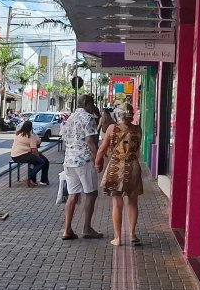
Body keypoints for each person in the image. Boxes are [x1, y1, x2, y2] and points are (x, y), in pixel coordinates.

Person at [95, 103, 143, 246]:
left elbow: (102, 149)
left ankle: (118, 237)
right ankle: (132, 234)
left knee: (117, 203)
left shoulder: (111, 128)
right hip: (134, 166)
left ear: (118, 114)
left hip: (116, 166)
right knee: (133, 202)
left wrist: (98, 162)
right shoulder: (137, 129)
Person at [60, 94, 102, 240]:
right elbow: (91, 140)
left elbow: (65, 138)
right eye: (92, 103)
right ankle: (87, 228)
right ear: (86, 103)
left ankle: (67, 230)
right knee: (91, 193)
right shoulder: (87, 118)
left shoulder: (70, 118)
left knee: (73, 195)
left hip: (69, 161)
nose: (93, 106)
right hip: (84, 160)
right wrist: (98, 158)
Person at [11, 120, 49, 187]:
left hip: (15, 155)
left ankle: (34, 180)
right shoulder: (30, 136)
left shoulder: (19, 134)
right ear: (31, 128)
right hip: (23, 154)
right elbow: (34, 150)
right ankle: (29, 178)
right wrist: (38, 157)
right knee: (42, 162)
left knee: (39, 161)